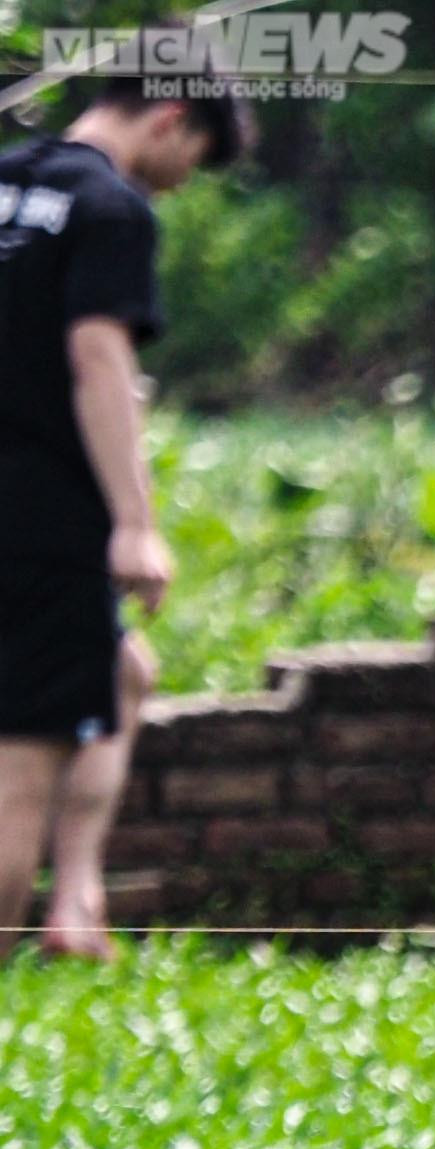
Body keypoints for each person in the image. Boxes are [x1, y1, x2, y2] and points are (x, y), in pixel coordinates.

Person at [0, 35, 247, 959]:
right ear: (172, 118)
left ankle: (75, 897)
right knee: (21, 765)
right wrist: (136, 526)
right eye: (192, 162)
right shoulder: (110, 211)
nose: (180, 183)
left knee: (124, 672)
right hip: (36, 523)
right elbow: (96, 356)